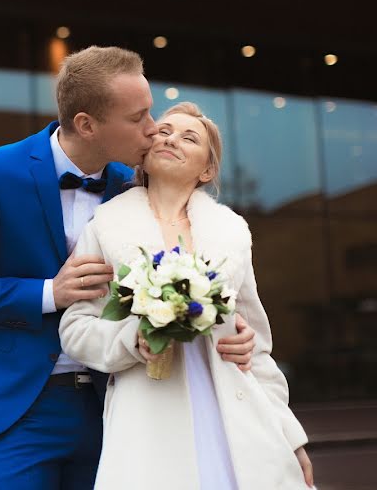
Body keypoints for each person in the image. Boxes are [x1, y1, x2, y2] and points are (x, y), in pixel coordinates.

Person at [0, 47, 258, 489]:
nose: (153, 128)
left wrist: (232, 328)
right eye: (138, 117)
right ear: (87, 125)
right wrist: (49, 293)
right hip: (20, 404)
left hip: (118, 401)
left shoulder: (133, 184)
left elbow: (192, 259)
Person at [59, 101, 314, 489]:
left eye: (189, 137)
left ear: (207, 169)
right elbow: (75, 328)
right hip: (147, 418)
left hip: (238, 417)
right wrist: (133, 338)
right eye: (163, 132)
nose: (171, 139)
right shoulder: (106, 225)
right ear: (145, 154)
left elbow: (257, 349)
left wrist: (292, 440)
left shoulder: (232, 232)